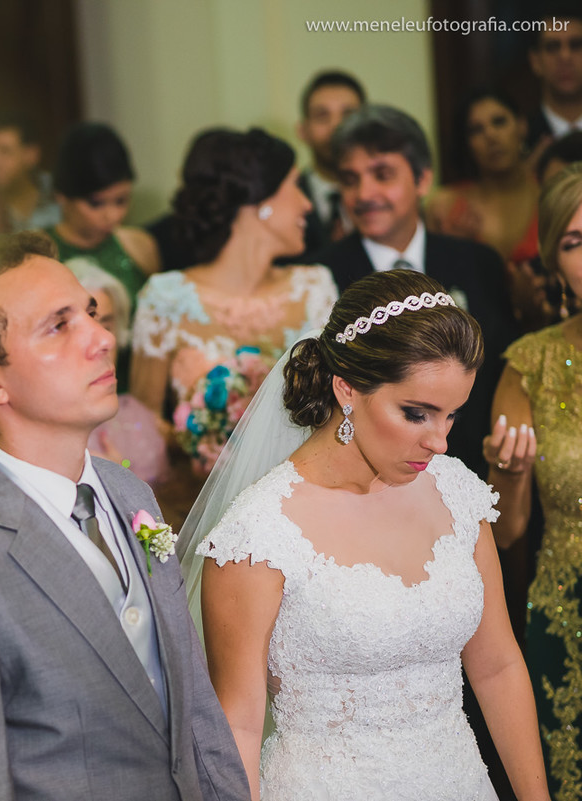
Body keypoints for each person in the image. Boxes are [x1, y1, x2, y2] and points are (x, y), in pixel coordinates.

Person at [0, 232, 250, 801]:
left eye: (92, 314)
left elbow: (193, 709)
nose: (100, 338)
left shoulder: (127, 492)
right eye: (58, 325)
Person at [184, 268, 549, 800]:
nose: (440, 442)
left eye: (452, 416)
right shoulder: (257, 535)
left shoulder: (455, 492)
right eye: (416, 413)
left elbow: (496, 665)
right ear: (346, 388)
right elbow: (236, 724)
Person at [131, 128, 337, 528]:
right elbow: (139, 428)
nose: (308, 204)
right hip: (202, 513)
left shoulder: (316, 287)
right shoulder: (166, 298)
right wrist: (203, 441)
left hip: (305, 509)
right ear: (259, 201)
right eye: (295, 186)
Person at [316, 104, 517, 481]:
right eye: (350, 179)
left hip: (472, 473)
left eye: (382, 174)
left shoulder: (478, 262)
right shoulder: (320, 275)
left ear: (423, 179)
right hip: (364, 484)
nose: (364, 194)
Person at [486, 162, 582, 797]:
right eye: (575, 242)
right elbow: (507, 531)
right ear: (554, 262)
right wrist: (508, 475)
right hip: (565, 616)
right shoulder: (530, 364)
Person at [428, 89, 544, 330]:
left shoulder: (551, 195)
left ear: (521, 126)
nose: (490, 136)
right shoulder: (445, 206)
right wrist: (456, 250)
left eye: (499, 122)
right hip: (473, 342)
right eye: (476, 130)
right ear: (466, 143)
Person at [66, 257, 168, 484]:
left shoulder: (138, 419)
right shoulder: (38, 426)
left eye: (107, 325)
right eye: (81, 325)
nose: (102, 340)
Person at [46, 122, 160, 310]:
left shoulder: (139, 246)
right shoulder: (41, 253)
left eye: (121, 201)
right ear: (62, 196)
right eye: (96, 203)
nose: (112, 215)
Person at [294, 70, 366, 259]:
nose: (337, 126)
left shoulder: (390, 196)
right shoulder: (285, 197)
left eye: (348, 114)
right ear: (303, 130)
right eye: (322, 116)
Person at [525, 8, 582, 153]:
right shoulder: (520, 141)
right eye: (552, 47)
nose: (565, 57)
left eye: (576, 45)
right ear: (535, 60)